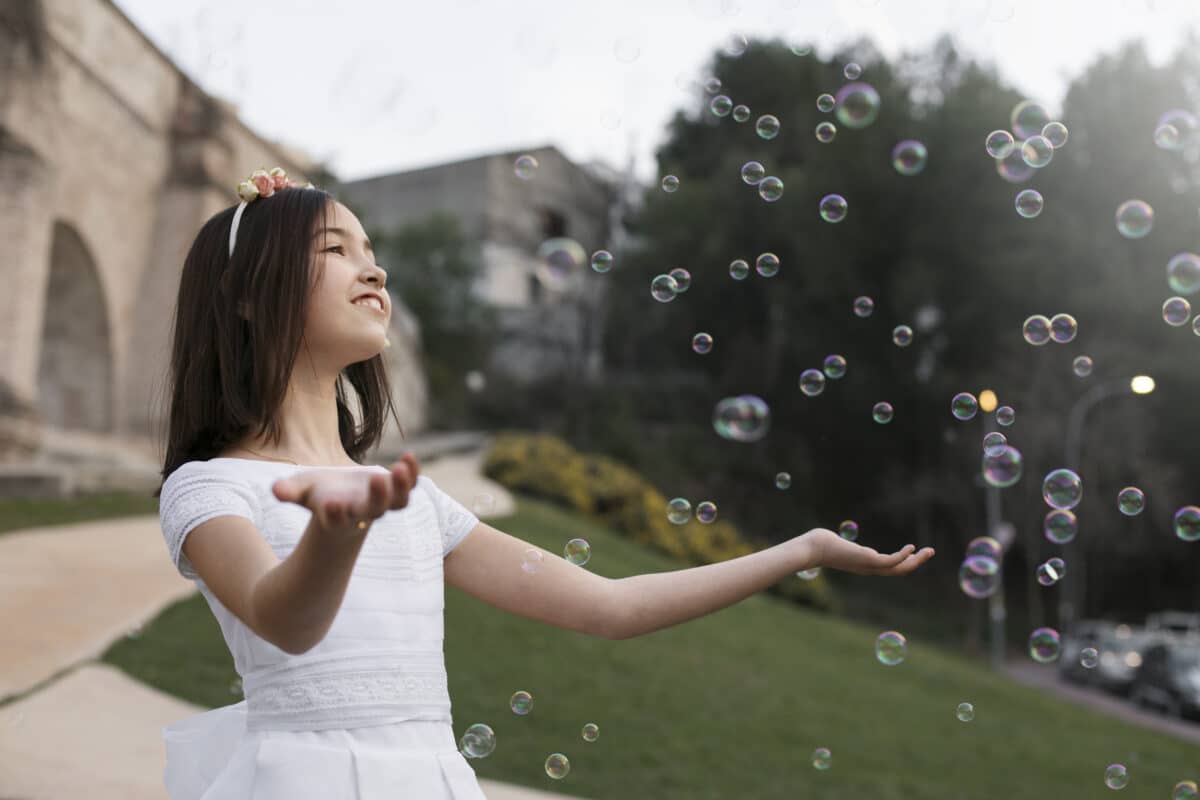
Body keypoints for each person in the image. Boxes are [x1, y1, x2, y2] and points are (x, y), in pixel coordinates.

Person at [155, 167, 935, 799]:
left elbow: (611, 607)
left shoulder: (415, 504)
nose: (374, 265)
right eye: (334, 249)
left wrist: (798, 550)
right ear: (250, 297)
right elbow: (280, 620)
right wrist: (338, 534)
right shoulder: (210, 489)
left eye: (369, 247)